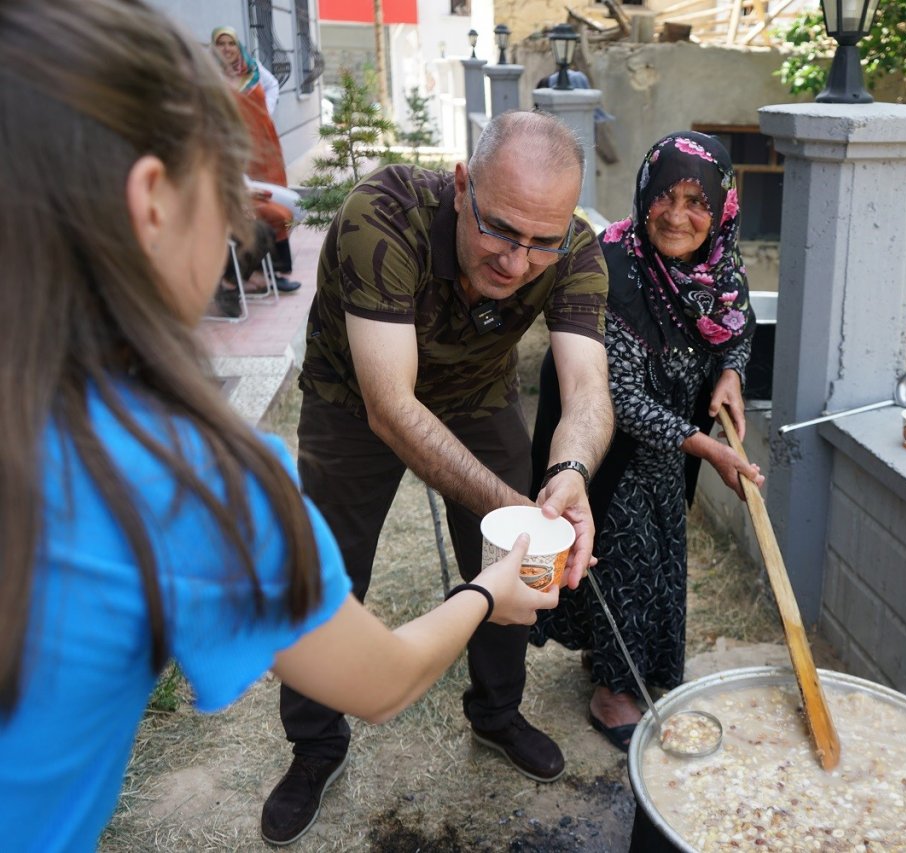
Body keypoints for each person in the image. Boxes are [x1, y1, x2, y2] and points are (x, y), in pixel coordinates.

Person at [0, 1, 557, 849]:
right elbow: (382, 680)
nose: (244, 224)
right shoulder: (187, 479)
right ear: (152, 200)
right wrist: (489, 588)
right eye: (226, 190)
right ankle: (312, 752)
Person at [265, 109, 613, 844]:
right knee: (324, 572)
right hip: (354, 398)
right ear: (463, 186)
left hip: (476, 398)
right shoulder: (382, 215)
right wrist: (523, 508)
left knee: (505, 564)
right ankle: (315, 746)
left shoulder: (577, 248)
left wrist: (571, 470)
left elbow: (587, 391)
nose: (517, 263)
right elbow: (391, 406)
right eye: (499, 230)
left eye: (541, 242)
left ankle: (496, 711)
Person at [530, 131, 763, 751]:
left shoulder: (719, 268)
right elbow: (621, 399)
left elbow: (737, 328)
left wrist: (732, 374)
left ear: (721, 210)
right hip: (609, 452)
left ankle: (615, 665)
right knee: (624, 557)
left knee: (659, 560)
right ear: (643, 195)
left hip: (670, 455)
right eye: (666, 196)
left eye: (697, 201)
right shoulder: (611, 271)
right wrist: (709, 447)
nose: (679, 215)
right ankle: (614, 694)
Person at [210, 26, 303, 295]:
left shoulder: (252, 69)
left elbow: (273, 85)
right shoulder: (213, 79)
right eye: (221, 44)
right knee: (262, 207)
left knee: (275, 198)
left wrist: (265, 112)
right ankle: (262, 272)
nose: (227, 48)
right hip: (240, 153)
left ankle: (279, 270)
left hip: (265, 143)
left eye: (231, 43)